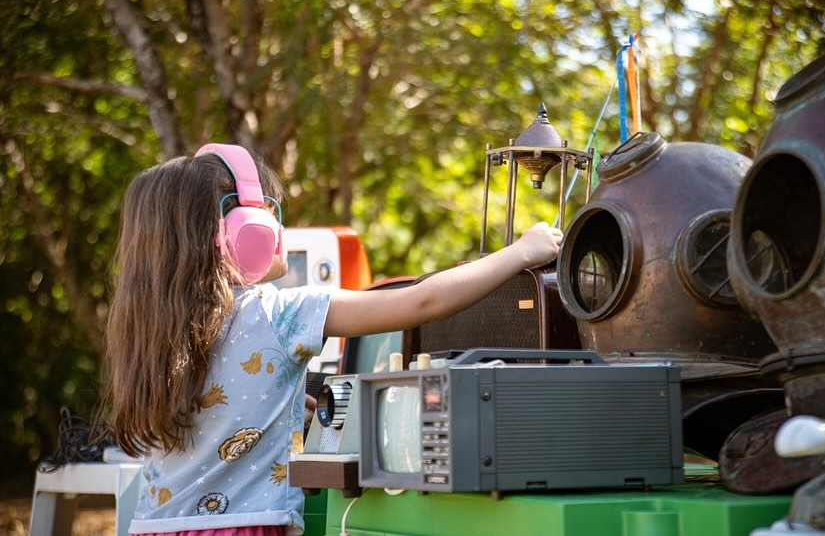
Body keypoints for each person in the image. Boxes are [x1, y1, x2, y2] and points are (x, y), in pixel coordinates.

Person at [104, 143, 563, 536]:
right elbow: (423, 302)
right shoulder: (279, 312)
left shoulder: (149, 330)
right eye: (269, 213)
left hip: (152, 524)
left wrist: (281, 407)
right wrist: (522, 251)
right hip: (247, 525)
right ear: (241, 233)